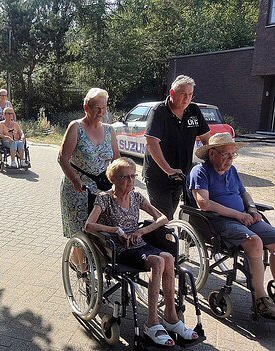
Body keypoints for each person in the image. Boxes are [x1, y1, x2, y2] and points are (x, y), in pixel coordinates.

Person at [85, 157, 198, 347]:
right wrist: (115, 230)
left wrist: (142, 231)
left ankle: (170, 317)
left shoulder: (136, 196)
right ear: (113, 178)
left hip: (139, 243)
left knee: (169, 257)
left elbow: (163, 218)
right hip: (119, 248)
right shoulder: (104, 199)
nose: (130, 181)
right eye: (125, 177)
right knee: (158, 262)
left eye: (133, 176)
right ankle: (151, 322)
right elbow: (88, 225)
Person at [188, 132, 275, 319]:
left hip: (244, 217)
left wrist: (251, 209)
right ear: (212, 153)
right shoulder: (200, 172)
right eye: (226, 154)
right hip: (219, 222)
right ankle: (261, 300)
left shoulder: (232, 171)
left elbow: (245, 194)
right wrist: (238, 214)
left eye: (232, 154)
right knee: (254, 242)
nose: (230, 159)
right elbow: (204, 203)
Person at [143, 75, 211, 220]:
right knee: (164, 217)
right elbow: (151, 142)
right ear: (172, 93)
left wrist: (212, 162)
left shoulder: (194, 111)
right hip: (159, 175)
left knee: (172, 213)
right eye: (183, 94)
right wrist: (168, 170)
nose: (187, 99)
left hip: (181, 174)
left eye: (190, 94)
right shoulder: (159, 111)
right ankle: (161, 240)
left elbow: (207, 139)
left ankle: (164, 237)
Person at [58, 88, 120, 239]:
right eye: (97, 108)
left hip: (102, 190)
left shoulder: (109, 130)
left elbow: (117, 161)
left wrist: (123, 179)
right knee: (80, 234)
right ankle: (78, 261)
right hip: (78, 190)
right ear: (86, 107)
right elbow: (62, 158)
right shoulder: (76, 127)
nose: (101, 112)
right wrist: (75, 180)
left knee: (101, 235)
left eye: (104, 108)